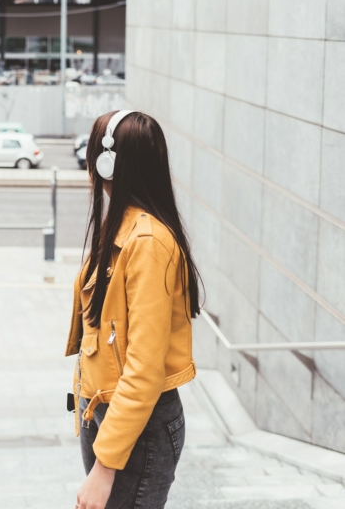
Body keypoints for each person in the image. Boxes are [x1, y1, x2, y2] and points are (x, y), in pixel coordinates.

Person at [66, 110, 202, 509]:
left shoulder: (148, 243)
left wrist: (104, 469)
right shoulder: (123, 226)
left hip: (136, 434)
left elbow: (143, 369)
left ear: (107, 163)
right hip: (113, 422)